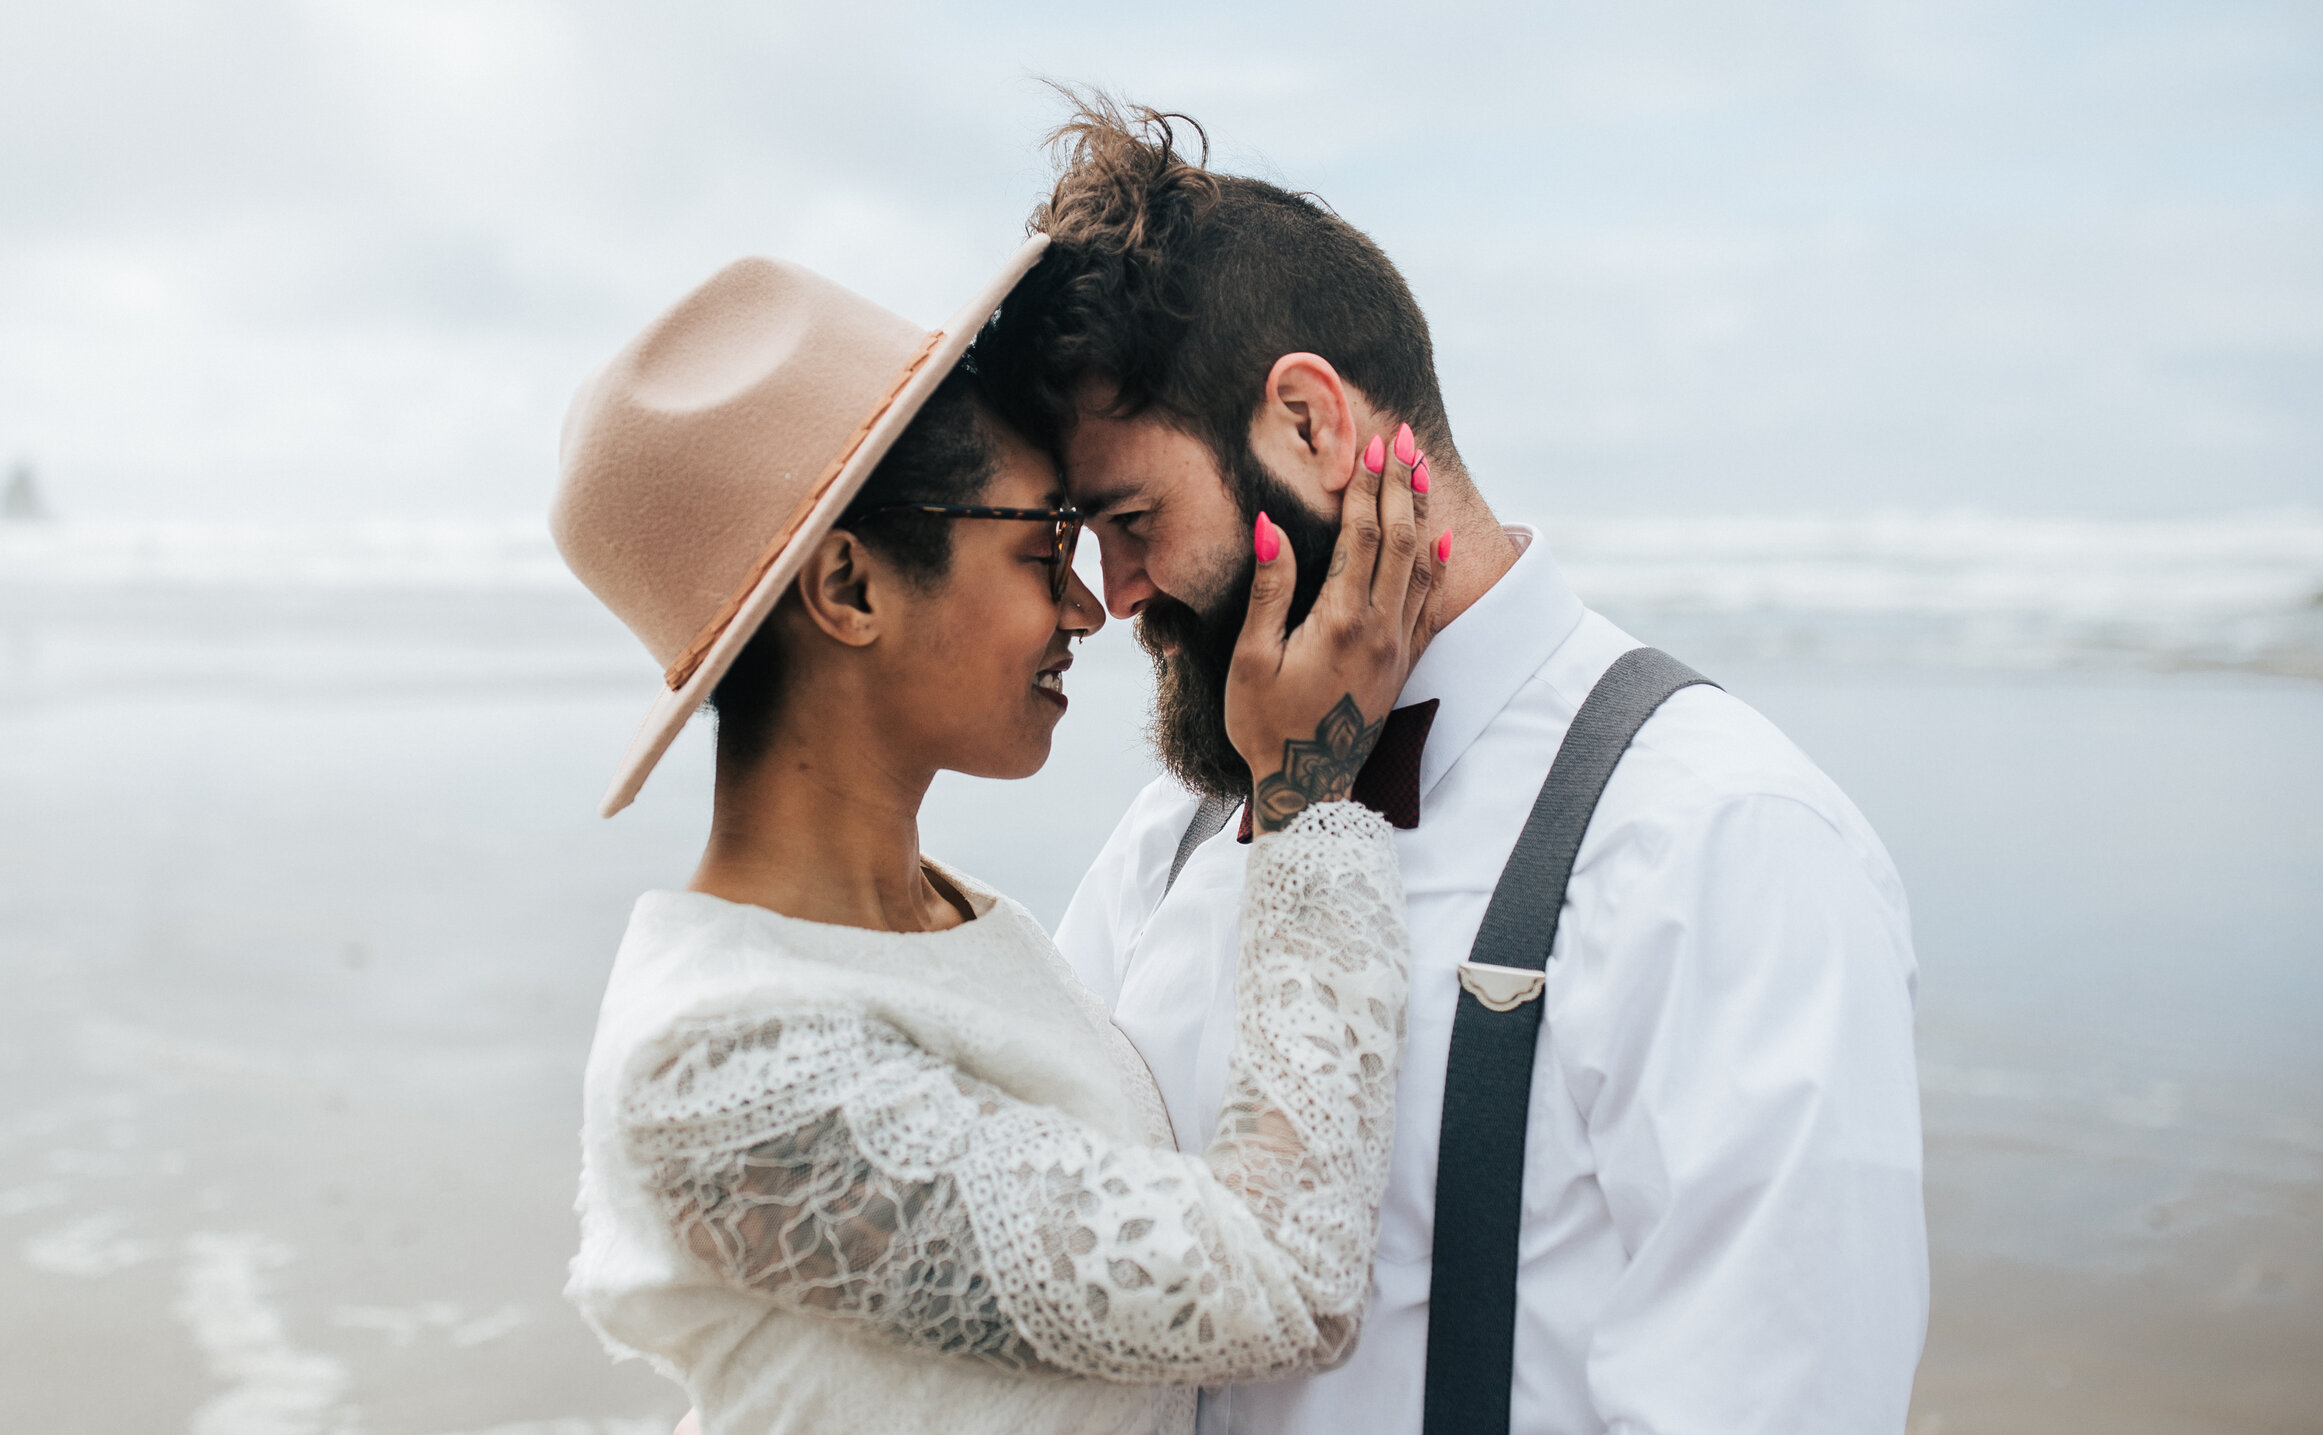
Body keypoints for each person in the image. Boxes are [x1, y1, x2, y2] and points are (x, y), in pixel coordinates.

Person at [969, 100, 1929, 1434]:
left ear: (1309, 421)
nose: (1116, 590)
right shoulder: (1166, 841)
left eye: (1134, 518)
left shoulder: (1721, 839)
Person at [550, 246, 1445, 1435]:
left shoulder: (948, 917)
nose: (1089, 605)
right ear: (849, 589)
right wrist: (1304, 795)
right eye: (1041, 548)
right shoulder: (717, 1066)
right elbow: (1279, 1278)